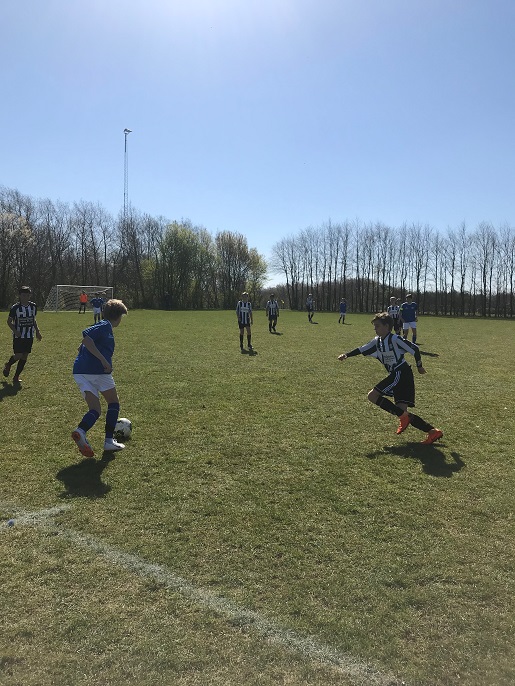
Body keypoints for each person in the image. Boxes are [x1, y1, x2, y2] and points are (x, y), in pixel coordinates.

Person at [337, 312, 443, 444]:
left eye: (377, 326)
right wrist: (347, 355)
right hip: (401, 374)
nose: (375, 329)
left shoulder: (395, 339)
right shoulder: (377, 341)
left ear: (386, 326)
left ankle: (405, 418)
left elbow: (415, 349)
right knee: (402, 411)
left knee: (372, 396)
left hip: (401, 372)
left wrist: (419, 366)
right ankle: (432, 431)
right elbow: (361, 349)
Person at [71, 299, 129, 457]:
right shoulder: (105, 326)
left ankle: (80, 431)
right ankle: (109, 441)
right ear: (118, 316)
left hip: (80, 371)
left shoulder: (103, 326)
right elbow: (86, 338)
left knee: (95, 409)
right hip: (96, 371)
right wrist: (103, 360)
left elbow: (85, 342)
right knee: (113, 403)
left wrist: (83, 348)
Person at [3, 286, 43, 383]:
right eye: (23, 295)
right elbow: (9, 321)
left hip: (29, 335)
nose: (25, 297)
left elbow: (33, 319)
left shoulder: (33, 306)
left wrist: (37, 331)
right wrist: (15, 331)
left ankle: (16, 376)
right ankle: (8, 364)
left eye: (27, 295)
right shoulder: (15, 308)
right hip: (19, 336)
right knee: (18, 355)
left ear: (30, 296)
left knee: (25, 356)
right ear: (20, 296)